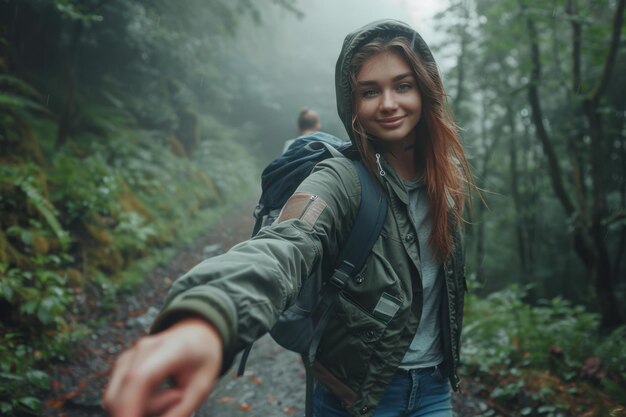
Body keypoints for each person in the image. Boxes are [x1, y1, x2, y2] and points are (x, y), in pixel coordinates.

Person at [103, 19, 476, 417]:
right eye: (370, 91)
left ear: (425, 89)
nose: (387, 103)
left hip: (435, 390)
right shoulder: (341, 180)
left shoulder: (446, 183)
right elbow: (284, 243)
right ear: (352, 104)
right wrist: (209, 319)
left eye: (403, 85)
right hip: (355, 397)